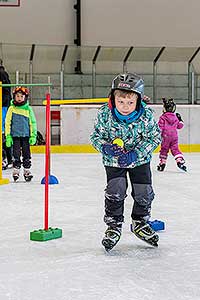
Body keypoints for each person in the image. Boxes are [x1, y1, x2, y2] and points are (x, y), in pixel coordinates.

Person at [90, 73, 161, 251]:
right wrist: (105, 147)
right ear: (113, 99)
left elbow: (154, 138)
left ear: (138, 100)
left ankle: (140, 222)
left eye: (130, 103)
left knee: (143, 192)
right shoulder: (105, 115)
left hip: (140, 161)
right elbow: (95, 137)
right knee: (116, 191)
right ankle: (113, 225)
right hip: (114, 162)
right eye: (121, 102)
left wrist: (136, 153)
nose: (125, 107)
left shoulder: (146, 116)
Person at [5, 86, 37, 181]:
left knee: (27, 154)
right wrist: (8, 136)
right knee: (16, 153)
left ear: (25, 97)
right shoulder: (11, 108)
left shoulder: (28, 109)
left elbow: (33, 122)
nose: (19, 98)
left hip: (26, 136)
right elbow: (7, 122)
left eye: (21, 96)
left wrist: (33, 135)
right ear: (14, 97)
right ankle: (16, 170)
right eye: (17, 96)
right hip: (15, 136)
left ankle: (27, 170)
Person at [157, 98, 187, 172]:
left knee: (164, 149)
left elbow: (160, 127)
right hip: (174, 136)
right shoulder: (175, 117)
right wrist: (180, 120)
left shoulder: (163, 117)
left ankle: (162, 163)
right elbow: (180, 126)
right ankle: (179, 160)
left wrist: (158, 134)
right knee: (175, 149)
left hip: (165, 136)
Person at [0, 64, 13, 169]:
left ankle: (5, 158)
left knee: (3, 133)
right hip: (4, 105)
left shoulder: (2, 74)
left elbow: (6, 92)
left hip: (3, 106)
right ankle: (8, 158)